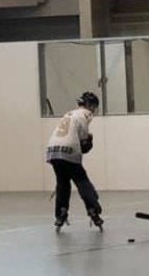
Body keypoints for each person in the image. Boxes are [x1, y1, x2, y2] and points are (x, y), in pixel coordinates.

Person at [46, 92, 104, 231]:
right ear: (90, 105)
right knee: (81, 180)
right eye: (94, 107)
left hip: (53, 150)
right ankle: (93, 209)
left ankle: (61, 213)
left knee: (62, 183)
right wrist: (88, 140)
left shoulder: (69, 113)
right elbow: (83, 139)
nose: (93, 111)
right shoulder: (85, 114)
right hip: (69, 149)